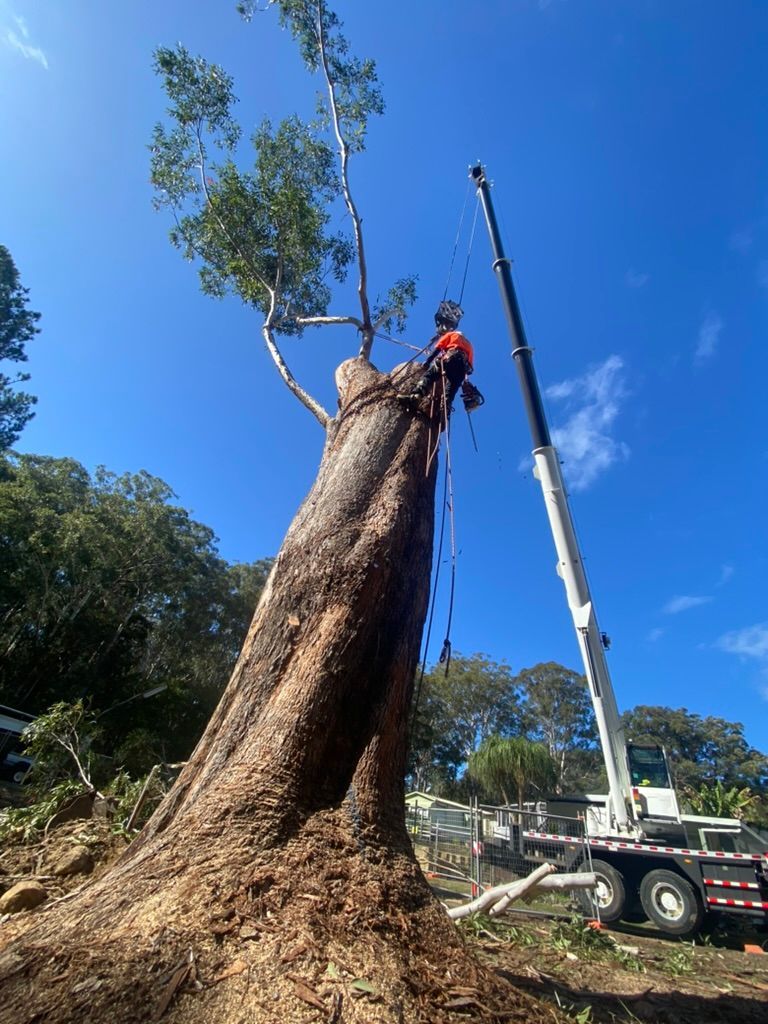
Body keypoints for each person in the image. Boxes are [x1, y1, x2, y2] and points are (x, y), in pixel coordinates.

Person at [399, 301, 477, 412]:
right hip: (461, 369)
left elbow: (438, 348)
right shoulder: (469, 346)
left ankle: (416, 396)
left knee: (430, 375)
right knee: (450, 391)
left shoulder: (451, 335)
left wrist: (427, 362)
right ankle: (445, 410)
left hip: (450, 359)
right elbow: (469, 369)